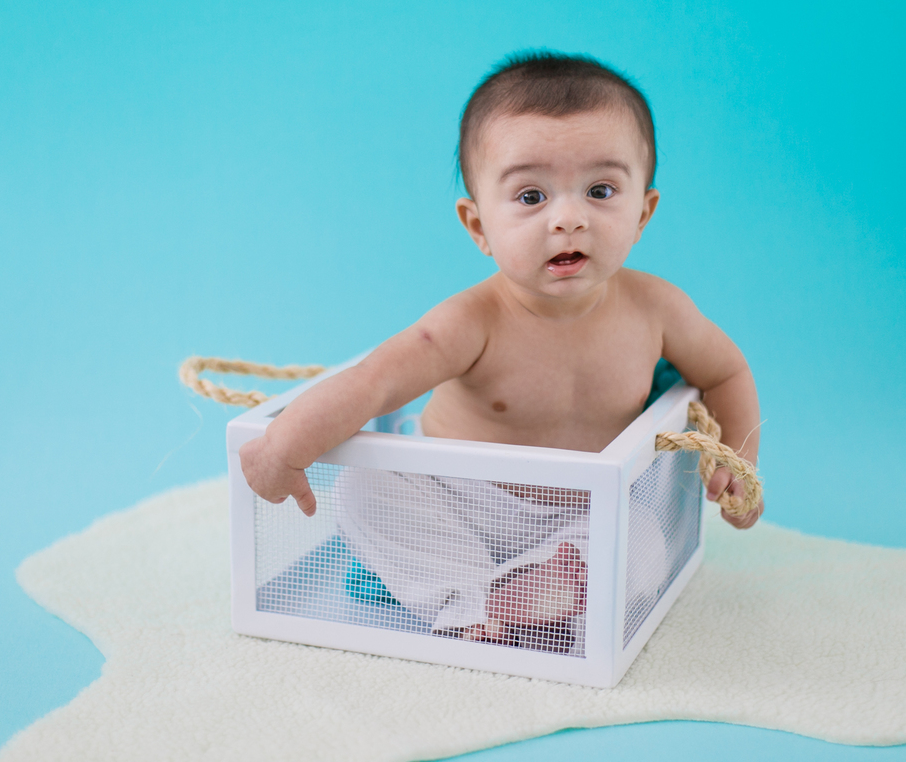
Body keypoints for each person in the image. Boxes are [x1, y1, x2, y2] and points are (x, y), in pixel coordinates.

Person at [240, 50, 763, 647]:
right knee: (366, 488)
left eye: (599, 190)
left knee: (644, 540)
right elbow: (372, 384)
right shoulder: (471, 321)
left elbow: (726, 371)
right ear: (478, 226)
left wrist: (739, 461)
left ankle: (526, 589)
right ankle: (470, 600)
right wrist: (285, 447)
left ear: (642, 212)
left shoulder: (658, 310)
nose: (568, 218)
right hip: (459, 501)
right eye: (531, 197)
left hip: (582, 516)